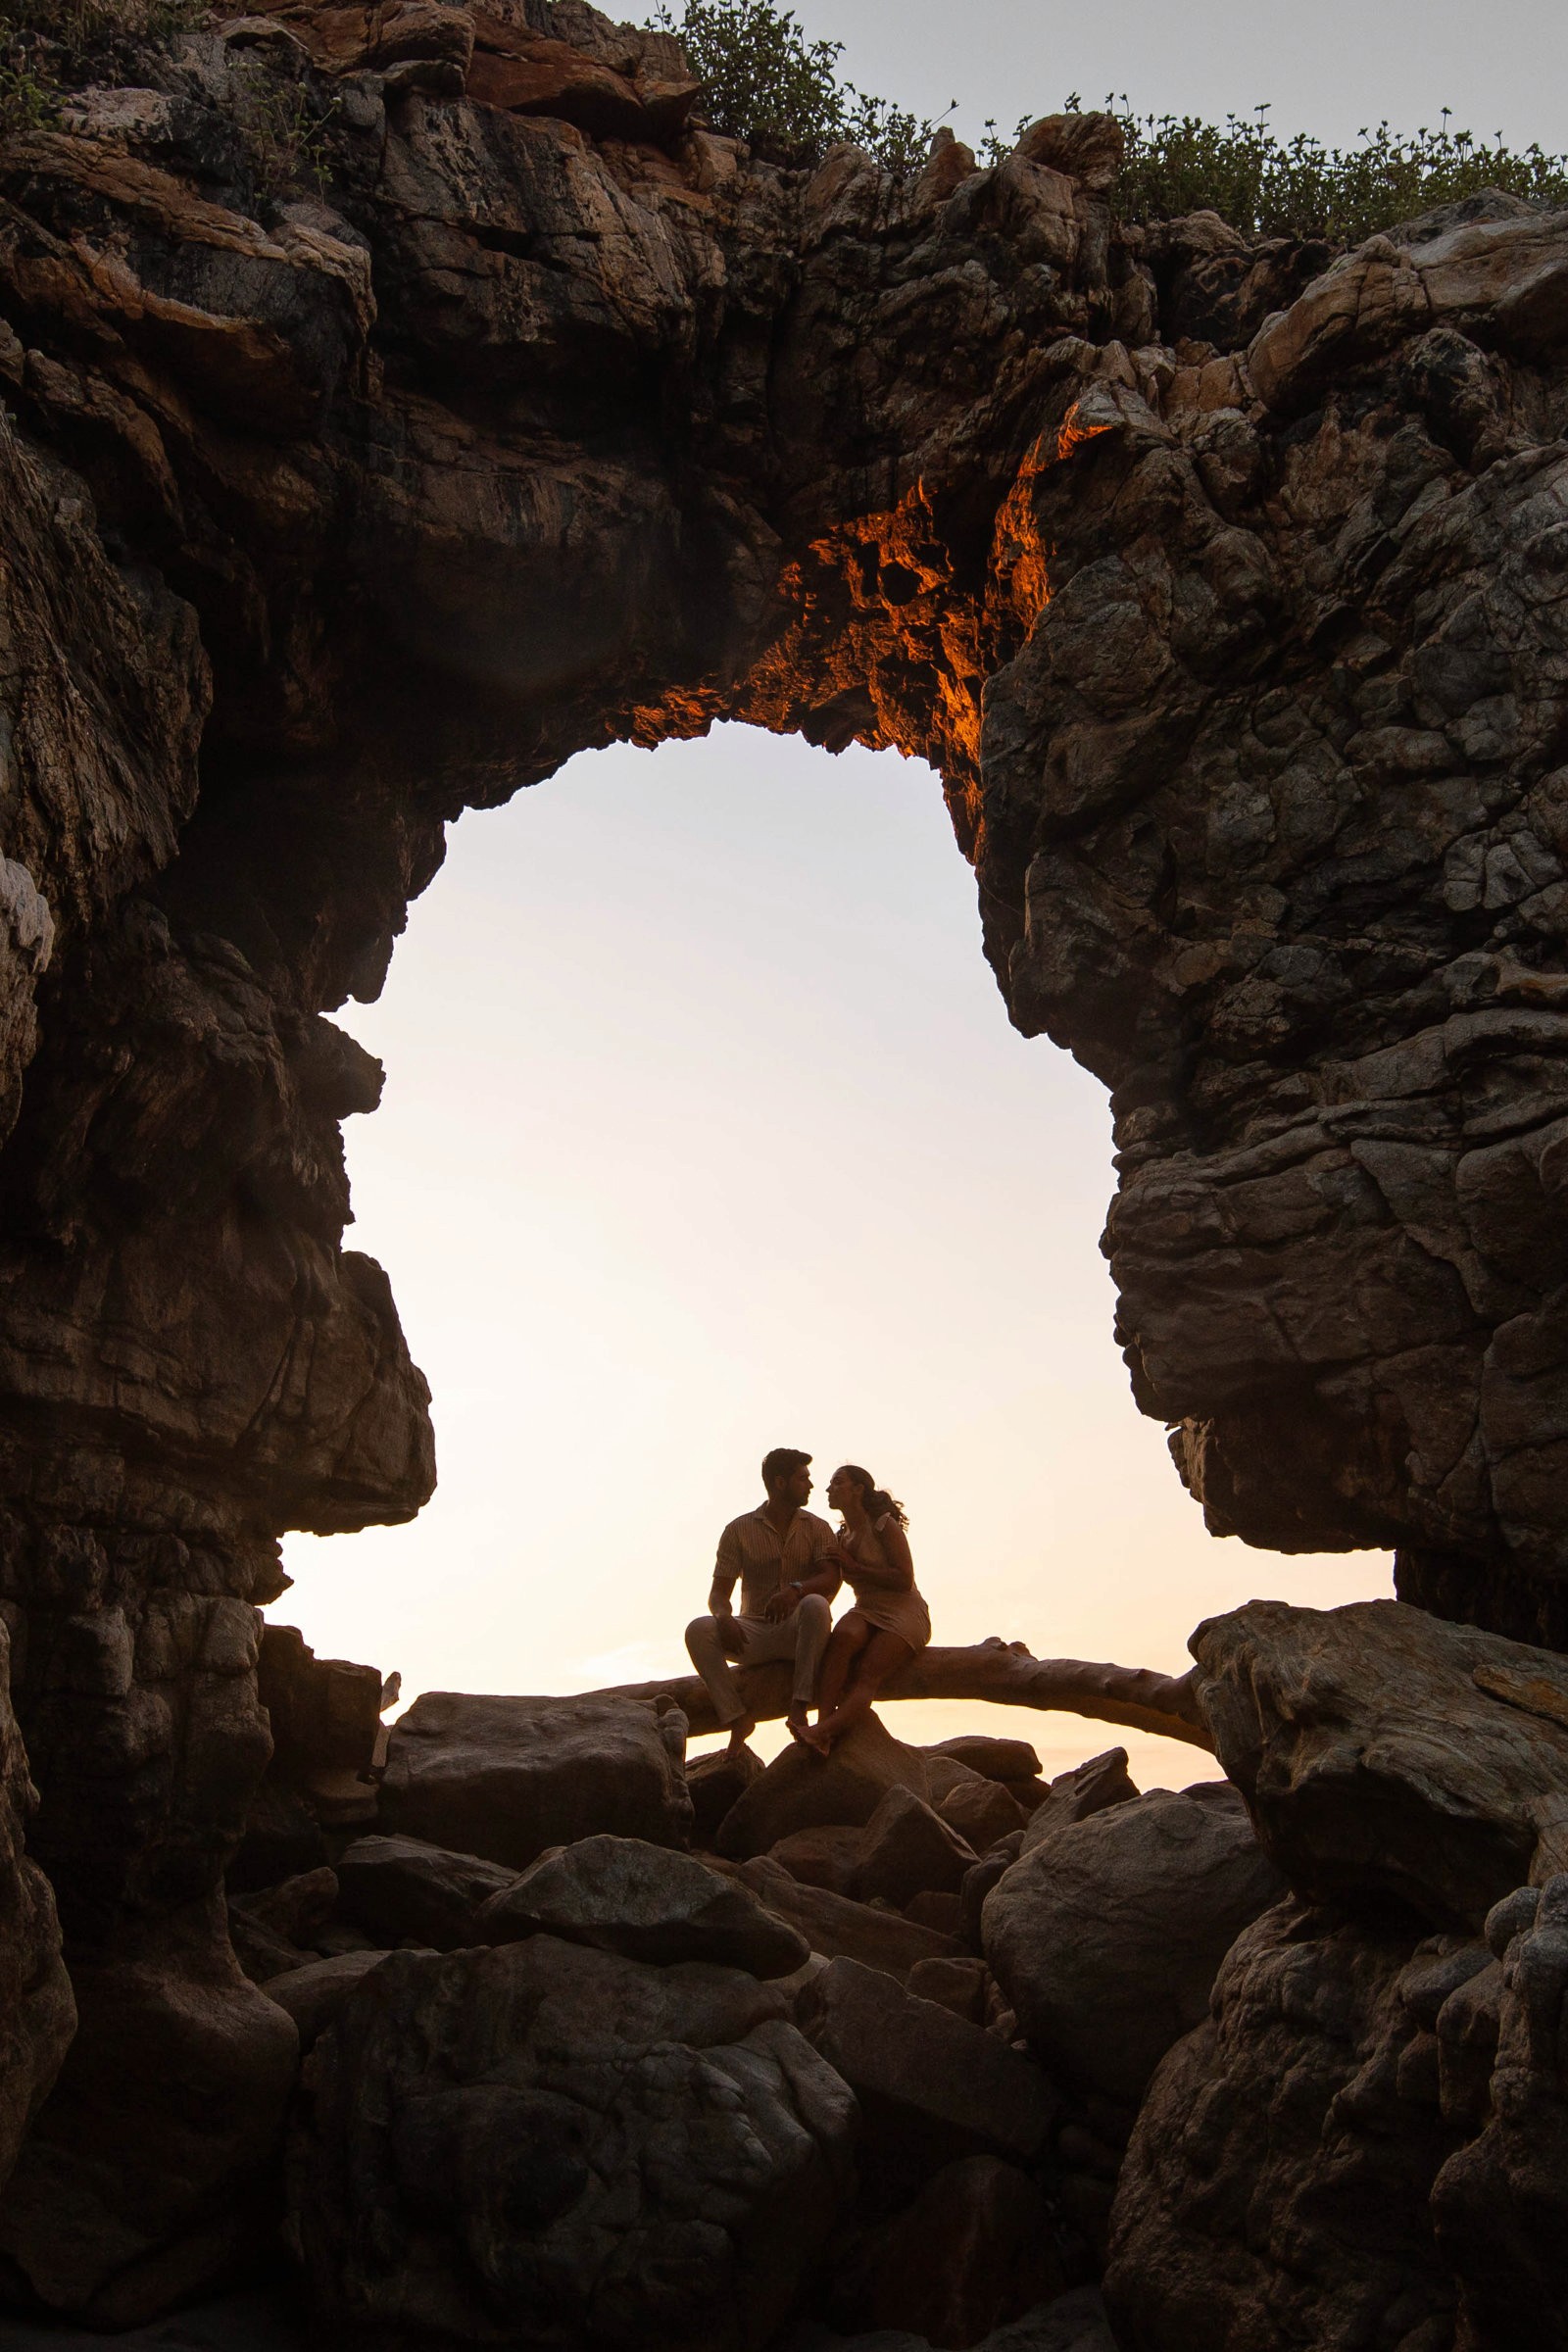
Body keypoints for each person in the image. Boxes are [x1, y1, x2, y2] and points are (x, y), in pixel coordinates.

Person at [685, 1447, 842, 1751]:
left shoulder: (817, 1527)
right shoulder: (738, 1530)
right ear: (780, 1483)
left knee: (816, 1604)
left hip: (800, 1632)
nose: (810, 1485)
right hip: (752, 1634)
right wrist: (724, 1618)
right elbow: (718, 1593)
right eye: (803, 1478)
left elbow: (830, 1578)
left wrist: (795, 1590)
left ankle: (799, 1705)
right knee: (697, 1630)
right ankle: (736, 1717)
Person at [801, 1464, 930, 1756]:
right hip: (866, 1608)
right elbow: (831, 1583)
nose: (829, 1489)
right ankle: (823, 1728)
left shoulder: (883, 1525)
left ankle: (825, 1731)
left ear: (858, 1489)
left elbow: (903, 1578)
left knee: (868, 1671)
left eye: (838, 1482)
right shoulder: (841, 1536)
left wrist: (855, 1567)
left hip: (903, 1610)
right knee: (840, 1641)